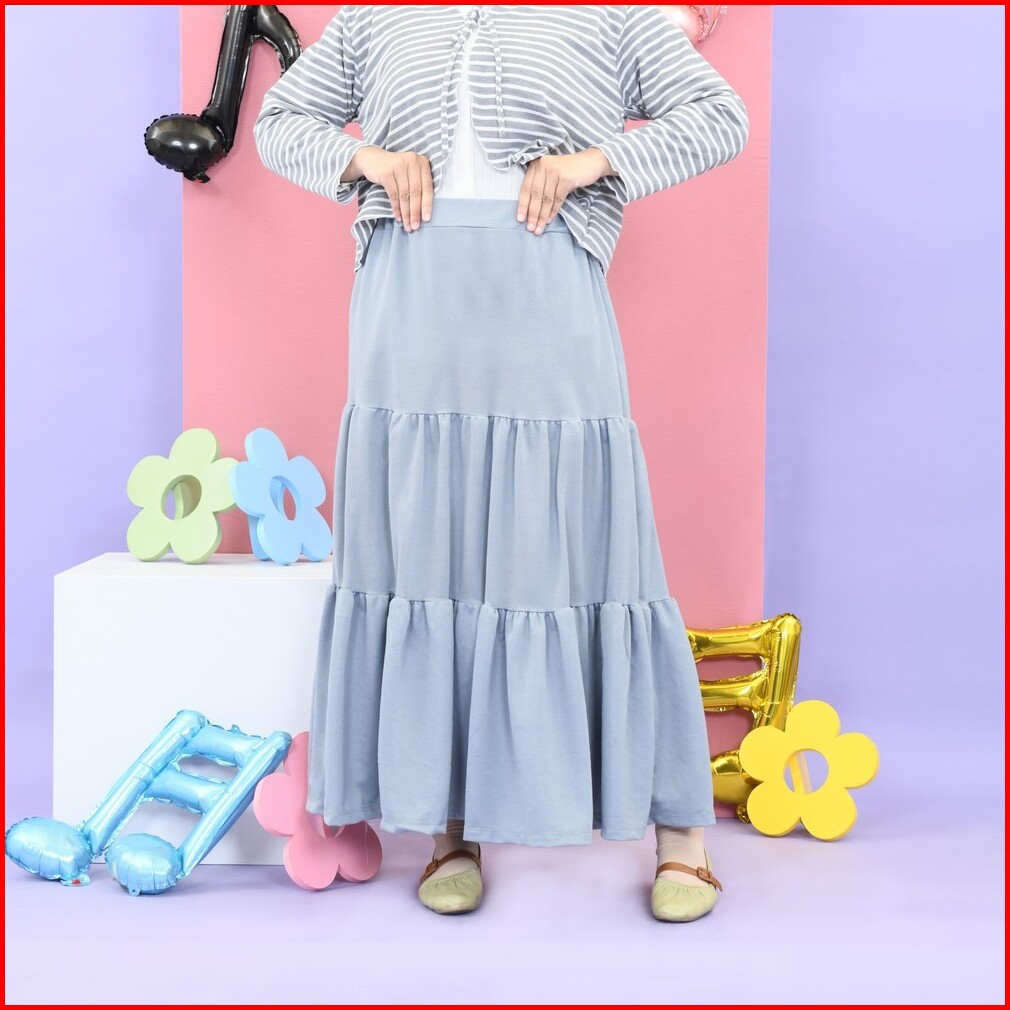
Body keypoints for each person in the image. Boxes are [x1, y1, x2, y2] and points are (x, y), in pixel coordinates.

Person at [253, 4, 749, 921]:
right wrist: (368, 161)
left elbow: (720, 117)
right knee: (431, 553)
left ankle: (681, 831)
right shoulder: (374, 20)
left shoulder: (610, 17)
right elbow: (279, 123)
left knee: (597, 549)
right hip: (409, 306)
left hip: (547, 293)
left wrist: (597, 160)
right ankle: (453, 824)